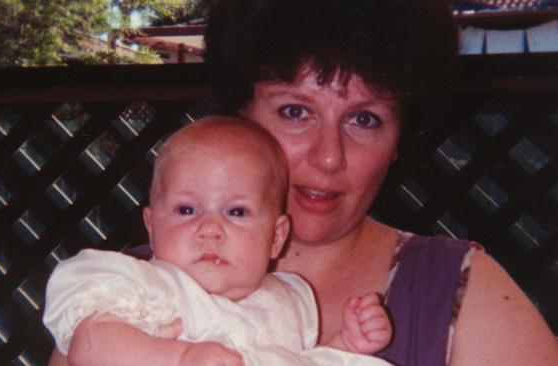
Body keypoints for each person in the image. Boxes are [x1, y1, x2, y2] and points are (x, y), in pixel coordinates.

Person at [49, 0, 558, 365]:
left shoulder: (460, 293)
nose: (329, 156)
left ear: (401, 138)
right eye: (295, 111)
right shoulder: (128, 290)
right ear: (238, 115)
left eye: (365, 119)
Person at [43, 116, 393, 366]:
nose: (210, 229)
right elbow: (89, 346)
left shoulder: (289, 301)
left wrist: (345, 345)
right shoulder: (146, 286)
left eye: (237, 212)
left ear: (276, 237)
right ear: (151, 225)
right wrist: (180, 358)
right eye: (186, 209)